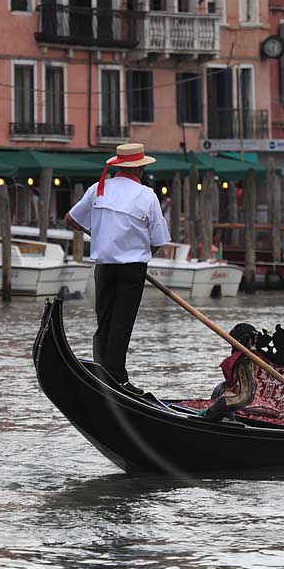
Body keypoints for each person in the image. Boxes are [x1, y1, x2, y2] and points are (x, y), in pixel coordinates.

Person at [66, 143, 170, 395]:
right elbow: (158, 240)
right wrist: (141, 255)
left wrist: (101, 233)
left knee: (105, 321)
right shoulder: (147, 196)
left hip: (104, 267)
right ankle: (117, 379)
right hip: (132, 268)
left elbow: (70, 220)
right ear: (140, 169)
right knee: (122, 323)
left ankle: (103, 373)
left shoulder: (98, 190)